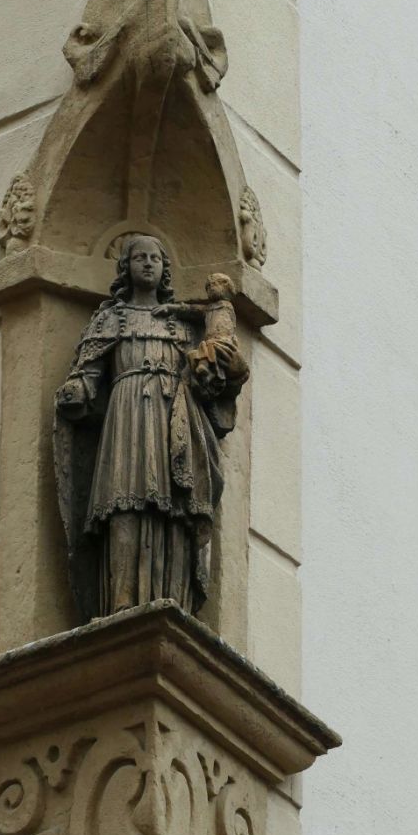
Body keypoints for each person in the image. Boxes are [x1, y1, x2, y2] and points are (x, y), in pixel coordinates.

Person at [54, 235, 248, 621]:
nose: (147, 263)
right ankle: (121, 600)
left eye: (155, 258)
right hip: (126, 415)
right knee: (122, 500)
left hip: (174, 417)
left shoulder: (183, 323)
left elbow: (213, 380)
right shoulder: (111, 319)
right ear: (125, 267)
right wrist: (77, 391)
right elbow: (88, 375)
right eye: (139, 257)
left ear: (164, 268)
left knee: (174, 505)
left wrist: (220, 366)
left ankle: (172, 597)